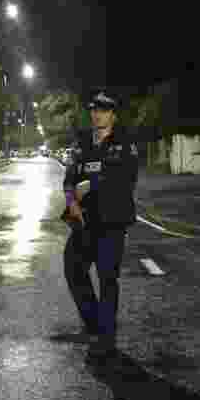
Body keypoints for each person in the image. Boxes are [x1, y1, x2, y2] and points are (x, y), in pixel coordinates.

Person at [61, 89, 139, 357]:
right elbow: (70, 176)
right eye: (94, 110)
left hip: (112, 221)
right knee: (73, 268)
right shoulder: (82, 141)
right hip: (84, 220)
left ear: (113, 115)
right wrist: (71, 199)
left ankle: (106, 337)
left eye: (103, 110)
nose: (97, 114)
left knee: (107, 278)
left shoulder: (125, 141)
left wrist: (91, 182)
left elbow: (125, 178)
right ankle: (95, 322)